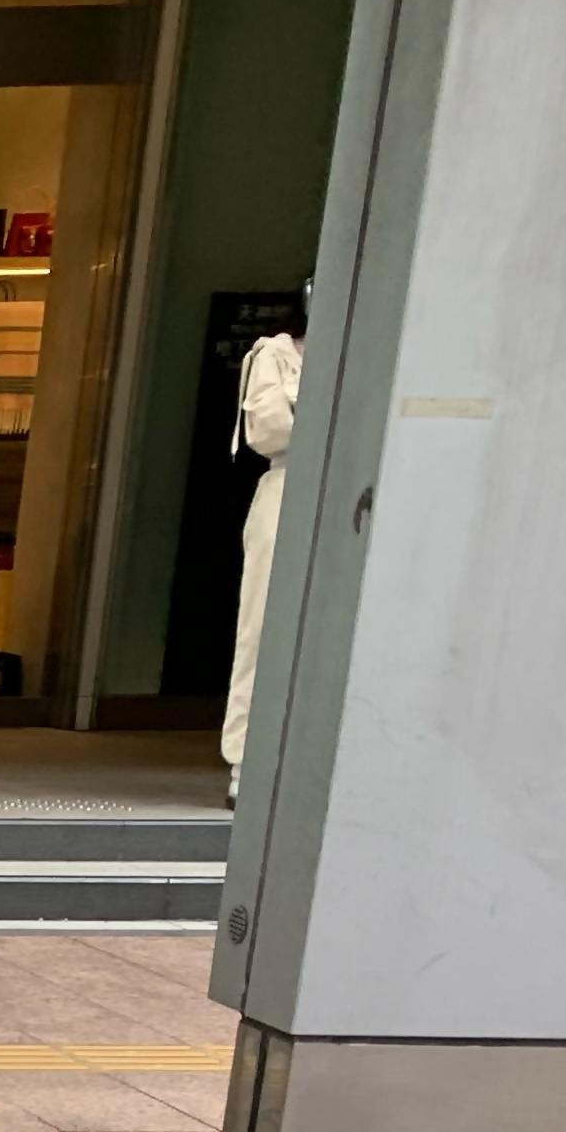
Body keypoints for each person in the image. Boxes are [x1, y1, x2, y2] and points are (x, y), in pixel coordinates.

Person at [221, 305, 304, 801]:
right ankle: (245, 760)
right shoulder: (273, 353)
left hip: (357, 490)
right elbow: (269, 430)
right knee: (262, 626)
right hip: (287, 486)